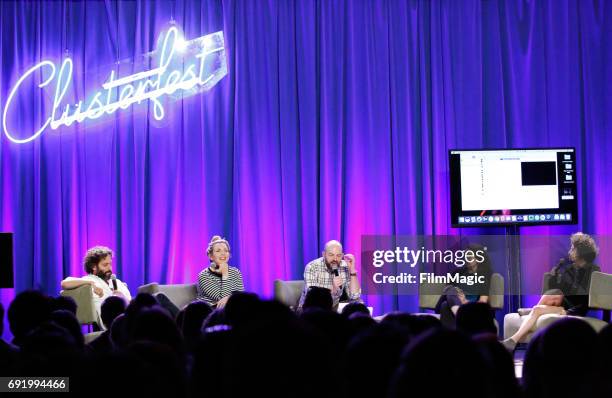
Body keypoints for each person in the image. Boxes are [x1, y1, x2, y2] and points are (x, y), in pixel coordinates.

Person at [502, 232, 601, 351]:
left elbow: (584, 297)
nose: (570, 250)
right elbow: (560, 290)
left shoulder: (593, 271)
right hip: (565, 304)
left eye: (573, 248)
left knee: (538, 310)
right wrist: (554, 277)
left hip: (574, 310)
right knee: (552, 294)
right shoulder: (573, 268)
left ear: (580, 251)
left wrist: (568, 310)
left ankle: (513, 340)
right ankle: (532, 312)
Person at [61, 246, 131, 329]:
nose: (110, 268)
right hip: (110, 324)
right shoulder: (90, 279)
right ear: (94, 267)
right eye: (105, 265)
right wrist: (91, 283)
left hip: (128, 319)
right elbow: (65, 283)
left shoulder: (117, 282)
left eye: (110, 264)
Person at [434, 243, 492, 327]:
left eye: (469, 257)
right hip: (453, 301)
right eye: (465, 257)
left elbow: (483, 301)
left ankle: (450, 336)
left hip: (469, 306)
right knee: (451, 289)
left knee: (445, 306)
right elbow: (446, 291)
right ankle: (459, 313)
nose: (467, 259)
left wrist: (465, 302)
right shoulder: (458, 273)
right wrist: (457, 297)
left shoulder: (483, 276)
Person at [297, 240, 361, 311]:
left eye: (338, 255)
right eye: (331, 255)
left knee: (358, 308)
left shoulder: (344, 266)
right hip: (310, 310)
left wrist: (352, 270)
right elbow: (313, 299)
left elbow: (355, 296)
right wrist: (333, 288)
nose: (335, 259)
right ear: (324, 254)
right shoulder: (312, 267)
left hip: (332, 310)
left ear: (342, 255)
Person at [196, 236, 244, 308]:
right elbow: (221, 299)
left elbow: (241, 296)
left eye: (226, 250)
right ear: (210, 256)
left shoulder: (236, 272)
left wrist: (230, 298)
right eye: (218, 251)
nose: (223, 253)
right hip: (211, 311)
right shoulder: (204, 275)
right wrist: (225, 274)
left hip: (232, 309)